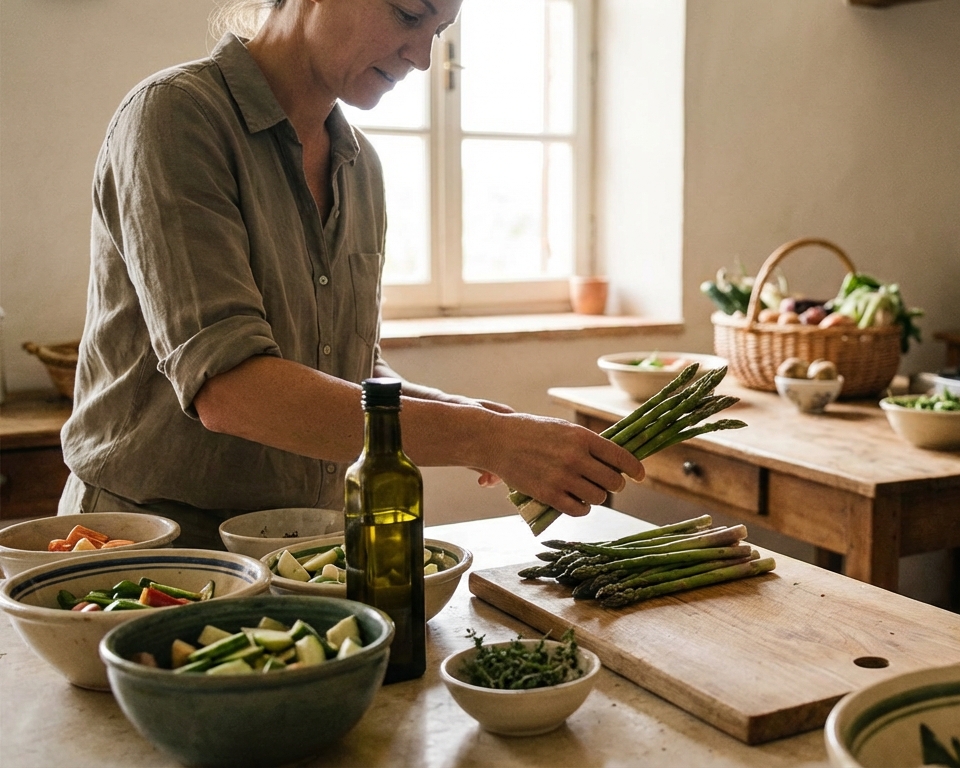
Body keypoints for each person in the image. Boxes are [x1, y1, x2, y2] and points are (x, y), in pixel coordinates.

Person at [59, 0, 644, 549]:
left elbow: (347, 364)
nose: (421, 56)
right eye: (408, 15)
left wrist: (470, 417)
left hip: (303, 545)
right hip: (150, 545)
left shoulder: (360, 167)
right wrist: (481, 438)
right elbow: (232, 390)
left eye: (438, 32)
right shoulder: (175, 116)